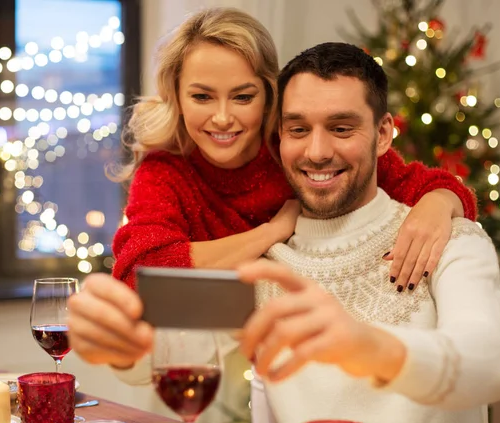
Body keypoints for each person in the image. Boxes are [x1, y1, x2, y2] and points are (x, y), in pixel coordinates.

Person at [236, 42, 500, 423]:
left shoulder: (450, 239)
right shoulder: (266, 266)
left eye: (341, 128)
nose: (316, 151)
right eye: (298, 129)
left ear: (383, 134)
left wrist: (370, 347)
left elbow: (488, 368)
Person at [110, 7, 477, 297]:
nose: (222, 118)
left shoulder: (297, 148)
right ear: (176, 95)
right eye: (202, 96)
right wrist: (273, 232)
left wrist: (439, 203)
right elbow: (140, 274)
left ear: (269, 94)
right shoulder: (165, 171)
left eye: (243, 96)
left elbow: (435, 186)